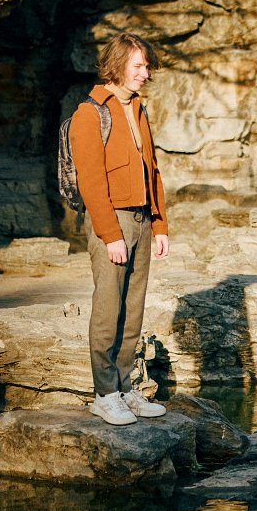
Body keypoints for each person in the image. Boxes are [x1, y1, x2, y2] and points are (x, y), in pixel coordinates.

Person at [71, 31, 170, 426]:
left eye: (146, 66)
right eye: (139, 65)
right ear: (117, 65)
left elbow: (153, 171)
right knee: (109, 310)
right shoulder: (89, 112)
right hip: (112, 221)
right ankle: (104, 394)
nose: (145, 73)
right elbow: (91, 182)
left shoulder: (139, 109)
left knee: (133, 311)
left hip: (143, 220)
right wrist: (111, 235)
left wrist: (160, 224)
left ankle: (126, 389)